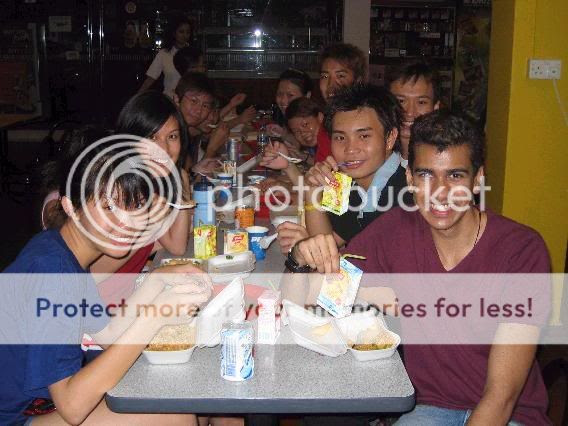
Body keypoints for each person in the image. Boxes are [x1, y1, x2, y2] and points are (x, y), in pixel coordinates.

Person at [287, 111, 551, 425]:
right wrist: (298, 259)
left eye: (455, 176)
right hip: (430, 407)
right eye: (426, 175)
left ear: (478, 179)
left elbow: (501, 397)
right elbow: (305, 301)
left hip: (510, 414)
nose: (440, 192)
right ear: (410, 179)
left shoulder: (521, 250)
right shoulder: (396, 230)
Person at [0, 133, 211, 424]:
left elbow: (108, 334)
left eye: (137, 205)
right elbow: (72, 407)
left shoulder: (61, 248)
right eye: (109, 207)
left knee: (176, 391)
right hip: (14, 417)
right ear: (70, 207)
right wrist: (156, 317)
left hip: (31, 406)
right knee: (176, 414)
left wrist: (157, 280)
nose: (127, 222)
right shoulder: (52, 271)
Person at [277, 84, 412, 253]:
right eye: (340, 138)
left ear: (390, 138)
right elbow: (331, 242)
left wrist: (310, 248)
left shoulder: (406, 194)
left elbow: (326, 255)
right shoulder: (345, 182)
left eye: (363, 136)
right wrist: (312, 192)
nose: (350, 149)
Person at [387, 62, 441, 163]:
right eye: (401, 101)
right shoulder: (371, 158)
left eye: (421, 102)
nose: (410, 112)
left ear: (436, 107)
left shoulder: (447, 159)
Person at [138, 15, 191, 98]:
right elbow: (150, 79)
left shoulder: (193, 53)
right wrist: (137, 97)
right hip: (169, 100)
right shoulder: (164, 54)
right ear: (174, 33)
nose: (185, 35)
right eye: (181, 32)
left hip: (189, 100)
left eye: (188, 32)